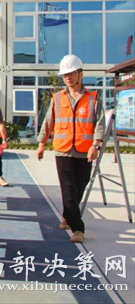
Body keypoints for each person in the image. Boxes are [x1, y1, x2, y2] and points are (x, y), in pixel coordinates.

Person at [36, 54, 105, 244]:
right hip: (63, 151)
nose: (67, 78)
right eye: (65, 75)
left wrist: (95, 145)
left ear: (80, 74)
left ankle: (68, 215)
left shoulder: (93, 98)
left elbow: (100, 123)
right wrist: (41, 143)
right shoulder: (58, 98)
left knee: (79, 188)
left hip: (84, 150)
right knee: (67, 190)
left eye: (71, 74)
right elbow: (48, 121)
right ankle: (78, 228)